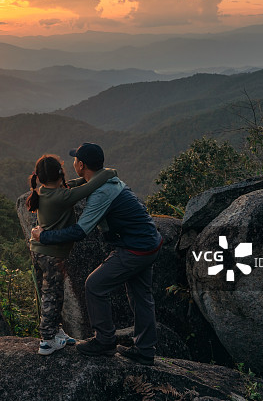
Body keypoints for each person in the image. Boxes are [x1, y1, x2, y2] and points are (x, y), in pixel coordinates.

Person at [30, 142, 162, 365]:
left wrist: (43, 237)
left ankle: (105, 341)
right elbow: (77, 188)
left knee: (95, 285)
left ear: (81, 165)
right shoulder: (108, 180)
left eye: (74, 160)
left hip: (135, 248)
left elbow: (80, 231)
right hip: (150, 241)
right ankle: (145, 350)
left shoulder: (101, 193)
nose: (72, 164)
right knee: (141, 296)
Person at [26, 154, 117, 355]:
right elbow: (87, 188)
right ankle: (47, 340)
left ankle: (56, 331)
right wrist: (110, 172)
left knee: (53, 293)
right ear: (60, 174)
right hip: (51, 255)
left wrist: (84, 178)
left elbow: (75, 184)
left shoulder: (45, 192)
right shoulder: (62, 197)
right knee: (52, 294)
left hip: (39, 252)